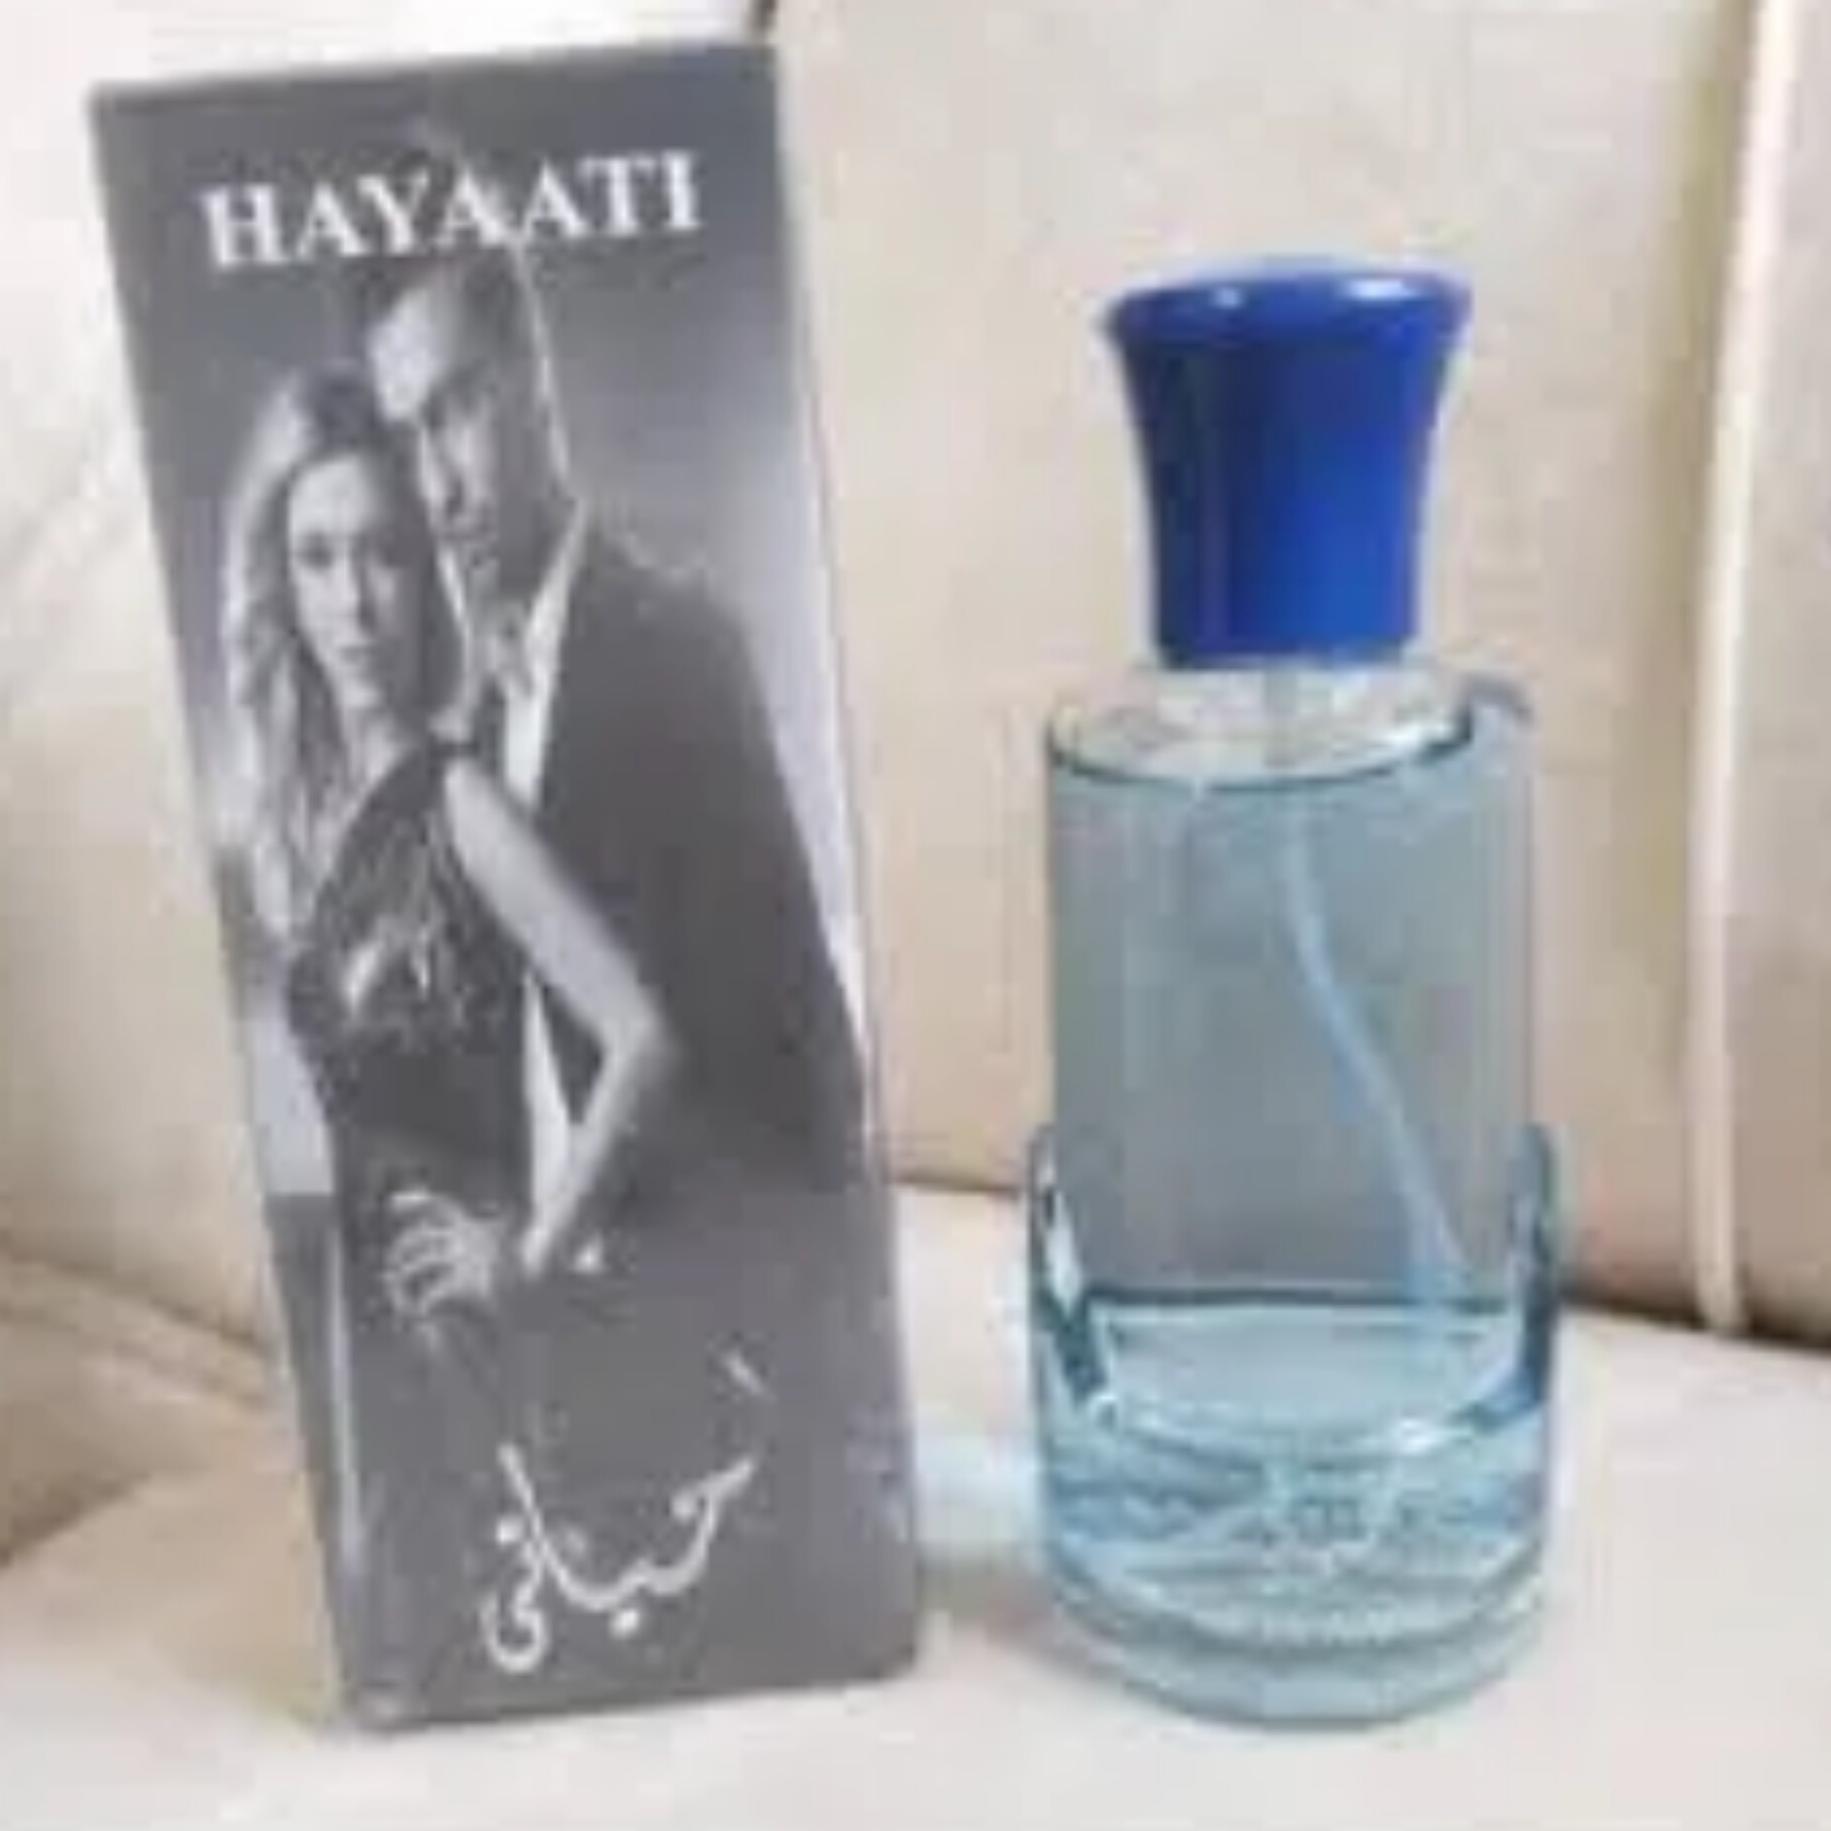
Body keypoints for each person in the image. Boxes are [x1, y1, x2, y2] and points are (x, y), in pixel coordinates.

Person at [221, 369, 760, 1719]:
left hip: (468, 1344)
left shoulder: (460, 800)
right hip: (362, 1338)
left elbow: (644, 1038)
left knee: (505, 1689)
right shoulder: (299, 835)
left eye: (383, 554)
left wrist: (525, 1252)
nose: (354, 602)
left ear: (424, 575)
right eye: (317, 558)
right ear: (281, 586)